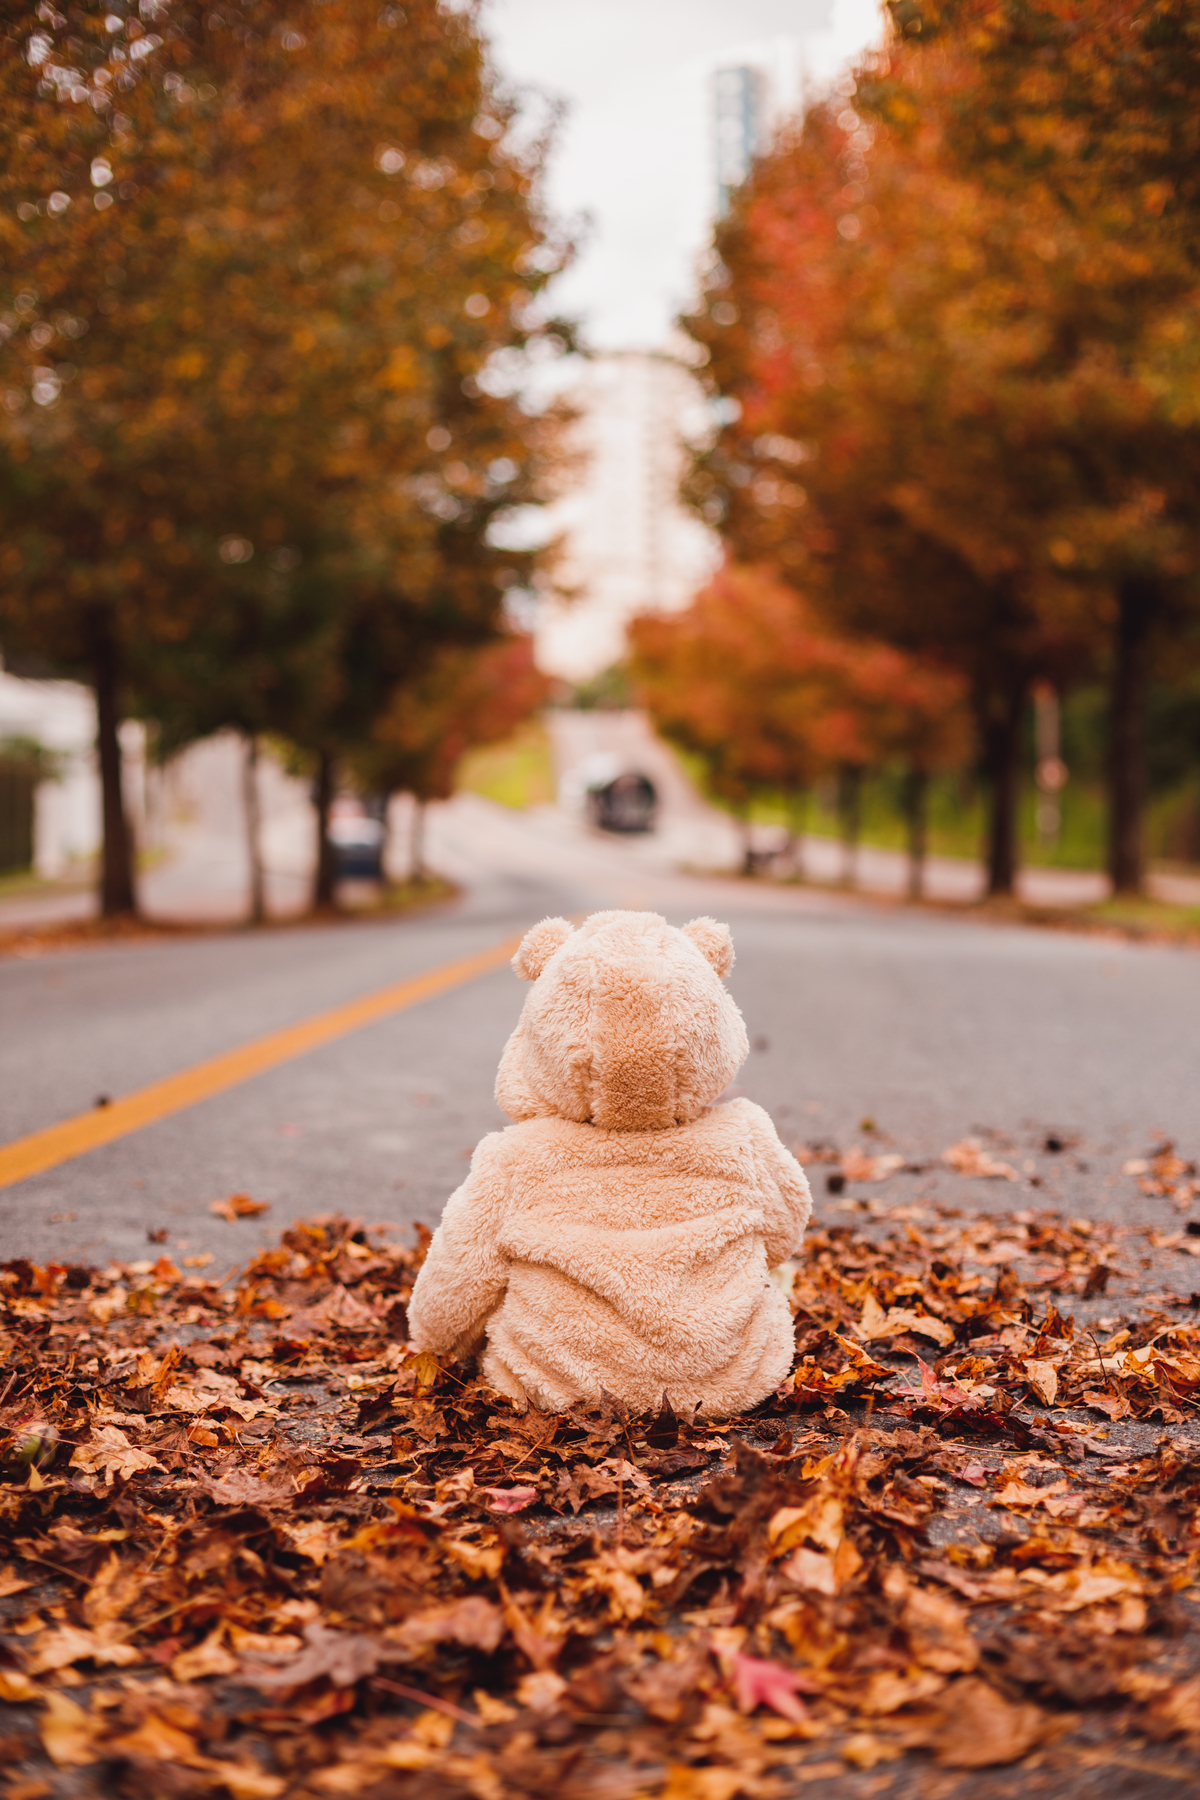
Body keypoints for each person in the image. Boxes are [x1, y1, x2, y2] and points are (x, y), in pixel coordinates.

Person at [407, 910, 811, 1414]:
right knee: (762, 1294)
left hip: (561, 1390)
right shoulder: (743, 1138)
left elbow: (457, 1286)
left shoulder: (517, 1158)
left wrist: (435, 1345)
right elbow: (782, 1235)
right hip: (725, 1384)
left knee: (502, 1314)